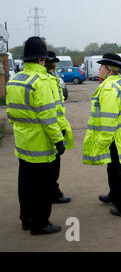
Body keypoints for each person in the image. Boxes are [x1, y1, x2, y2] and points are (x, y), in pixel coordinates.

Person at [6, 37, 65, 235]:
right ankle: (40, 224)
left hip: (22, 143)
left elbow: (10, 113)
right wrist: (58, 140)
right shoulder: (42, 82)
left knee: (25, 183)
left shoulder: (14, 79)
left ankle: (26, 219)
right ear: (41, 59)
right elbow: (49, 118)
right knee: (42, 186)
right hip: (40, 144)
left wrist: (22, 129)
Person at [82, 53, 121, 218]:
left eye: (101, 66)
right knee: (115, 169)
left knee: (116, 172)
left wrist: (102, 142)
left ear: (108, 69)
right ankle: (113, 196)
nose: (99, 69)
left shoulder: (109, 88)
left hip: (114, 137)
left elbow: (109, 120)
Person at [46, 51, 74, 203]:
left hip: (55, 126)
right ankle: (53, 193)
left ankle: (53, 191)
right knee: (53, 165)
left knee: (53, 164)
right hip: (53, 128)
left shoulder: (52, 78)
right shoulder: (49, 80)